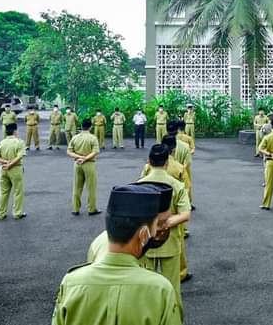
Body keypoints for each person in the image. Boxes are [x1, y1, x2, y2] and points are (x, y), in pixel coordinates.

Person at [51, 183, 181, 325]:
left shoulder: (70, 283)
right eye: (157, 225)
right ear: (144, 234)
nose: (159, 231)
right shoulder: (160, 290)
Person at [138, 143, 191, 313]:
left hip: (146, 243)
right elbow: (185, 214)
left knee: (147, 288)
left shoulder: (139, 185)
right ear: (167, 162)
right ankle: (174, 317)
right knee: (172, 287)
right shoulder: (176, 185)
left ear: (149, 161)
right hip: (170, 241)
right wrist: (166, 223)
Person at [67, 119, 101, 216]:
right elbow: (95, 151)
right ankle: (92, 209)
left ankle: (75, 209)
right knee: (91, 188)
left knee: (77, 187)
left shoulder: (75, 137)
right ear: (91, 127)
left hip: (77, 164)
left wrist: (79, 157)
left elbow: (69, 151)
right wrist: (85, 158)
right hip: (89, 163)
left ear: (82, 126)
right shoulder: (92, 138)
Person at [0, 123, 27, 220]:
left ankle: (1, 213)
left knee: (3, 192)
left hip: (3, 169)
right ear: (15, 131)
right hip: (15, 169)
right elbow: (20, 156)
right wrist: (10, 164)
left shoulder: (1, 143)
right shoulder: (19, 142)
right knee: (18, 191)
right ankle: (17, 213)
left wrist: (5, 162)